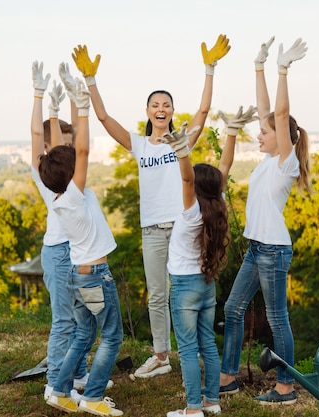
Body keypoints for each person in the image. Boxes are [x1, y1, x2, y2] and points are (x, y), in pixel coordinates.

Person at [70, 35, 230, 379]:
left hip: (183, 228)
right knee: (157, 295)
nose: (161, 109)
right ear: (147, 112)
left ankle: (195, 352)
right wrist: (91, 80)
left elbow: (203, 111)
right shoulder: (139, 145)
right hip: (152, 231)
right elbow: (102, 117)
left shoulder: (182, 139)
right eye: (155, 105)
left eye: (166, 105)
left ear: (172, 111)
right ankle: (161, 356)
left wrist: (209, 69)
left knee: (185, 293)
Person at [219, 37, 311, 405]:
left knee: (277, 319)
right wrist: (258, 66)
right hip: (257, 249)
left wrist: (282, 70)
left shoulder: (285, 164)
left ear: (283, 138)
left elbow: (280, 111)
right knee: (232, 308)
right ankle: (227, 377)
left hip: (273, 251)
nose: (259, 133)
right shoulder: (267, 161)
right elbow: (266, 111)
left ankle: (286, 388)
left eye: (266, 131)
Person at [159, 105, 258, 417]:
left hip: (185, 288)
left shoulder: (190, 212)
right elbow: (224, 167)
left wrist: (182, 151)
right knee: (207, 346)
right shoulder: (218, 204)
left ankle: (192, 409)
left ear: (195, 189)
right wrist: (231, 132)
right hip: (206, 285)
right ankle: (211, 402)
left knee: (188, 348)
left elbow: (187, 180)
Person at [39, 65, 124, 417]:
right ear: (71, 174)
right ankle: (91, 397)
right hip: (95, 278)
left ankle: (59, 389)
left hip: (78, 274)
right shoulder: (75, 194)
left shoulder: (60, 196)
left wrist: (63, 110)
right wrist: (84, 108)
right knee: (112, 337)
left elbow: (62, 154)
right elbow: (83, 152)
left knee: (82, 336)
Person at [30, 60, 88, 402]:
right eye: (60, 144)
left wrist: (72, 95)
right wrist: (40, 98)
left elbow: (79, 137)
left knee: (83, 319)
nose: (66, 148)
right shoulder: (46, 174)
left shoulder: (75, 172)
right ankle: (54, 382)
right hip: (57, 252)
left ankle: (78, 374)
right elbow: (39, 137)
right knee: (64, 321)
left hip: (80, 251)